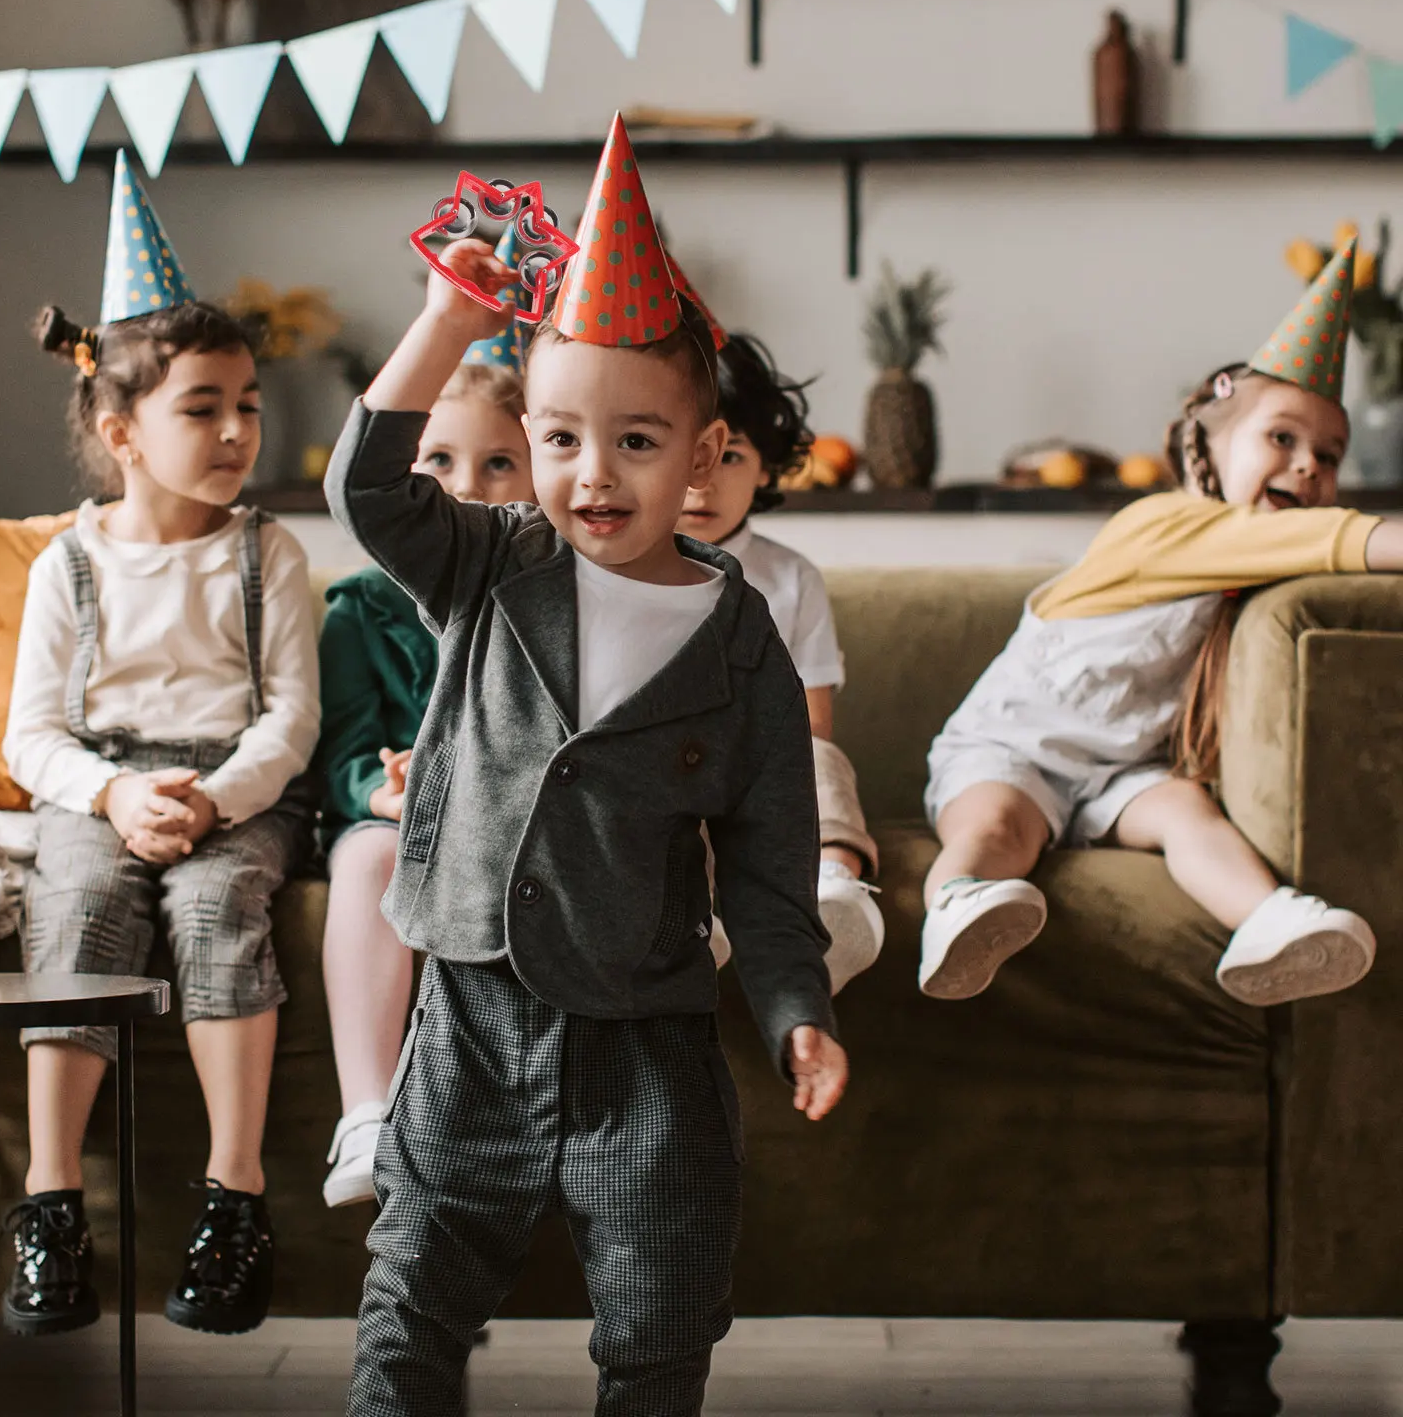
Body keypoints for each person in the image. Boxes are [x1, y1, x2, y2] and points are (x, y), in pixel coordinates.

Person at [327, 115, 848, 1416]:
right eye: (558, 438)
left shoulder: (743, 650)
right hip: (466, 1020)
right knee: (409, 1300)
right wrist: (453, 321)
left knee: (662, 1317)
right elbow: (366, 490)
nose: (590, 475)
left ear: (706, 451)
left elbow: (774, 866)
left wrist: (797, 1011)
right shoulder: (492, 563)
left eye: (635, 442)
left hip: (646, 1034)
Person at [1, 152, 319, 1337]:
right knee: (79, 913)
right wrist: (116, 797)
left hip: (236, 787)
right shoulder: (67, 564)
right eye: (204, 408)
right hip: (101, 786)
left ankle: (234, 1195)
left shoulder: (268, 553)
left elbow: (292, 716)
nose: (238, 429)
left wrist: (217, 801)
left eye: (247, 404)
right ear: (117, 428)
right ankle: (49, 1200)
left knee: (214, 912)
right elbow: (29, 733)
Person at [919, 238, 1394, 1005]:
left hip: (1120, 773)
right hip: (1014, 750)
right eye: (1283, 438)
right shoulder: (1163, 524)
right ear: (1207, 442)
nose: (1309, 466)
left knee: (1186, 813)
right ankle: (958, 903)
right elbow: (1341, 538)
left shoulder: (1254, 574)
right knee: (1000, 826)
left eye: (1329, 454)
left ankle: (1271, 921)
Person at [318, 244, 534, 1209]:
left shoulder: (549, 593)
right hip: (399, 829)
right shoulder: (359, 608)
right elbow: (339, 758)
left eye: (499, 463)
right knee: (367, 858)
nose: (468, 485)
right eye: (438, 462)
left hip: (511, 824)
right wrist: (382, 787)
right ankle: (366, 1117)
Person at [669, 274, 883, 993]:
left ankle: (836, 893)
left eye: (728, 456)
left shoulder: (792, 578)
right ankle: (698, 920)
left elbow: (814, 721)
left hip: (770, 766)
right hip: (667, 765)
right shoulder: (627, 567)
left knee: (822, 761)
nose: (702, 481)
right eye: (684, 453)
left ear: (764, 468)